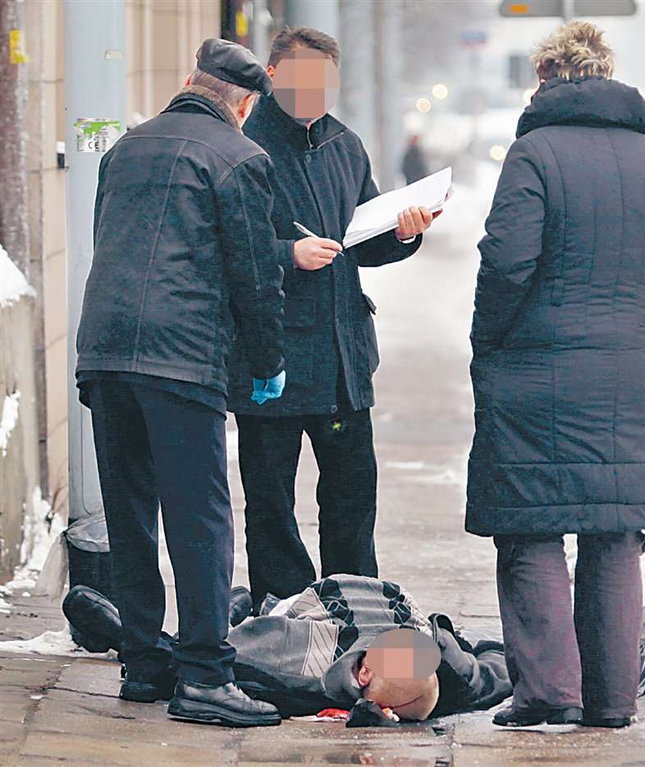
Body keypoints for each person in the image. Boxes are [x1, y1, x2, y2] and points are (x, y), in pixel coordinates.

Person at [466, 21, 645, 729]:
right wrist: (633, 329)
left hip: (532, 371)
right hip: (622, 375)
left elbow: (508, 261)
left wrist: (492, 340)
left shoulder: (533, 154)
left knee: (532, 526)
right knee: (614, 531)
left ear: (547, 77)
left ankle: (547, 690)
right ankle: (611, 698)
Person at [75, 39, 288, 727]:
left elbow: (110, 241)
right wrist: (267, 363)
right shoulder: (243, 158)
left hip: (105, 354)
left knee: (130, 512)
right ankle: (204, 674)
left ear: (188, 80)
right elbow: (256, 277)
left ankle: (142, 662)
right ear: (247, 104)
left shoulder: (125, 149)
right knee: (200, 519)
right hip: (181, 356)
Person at [228, 27, 438, 607]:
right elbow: (223, 246)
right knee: (270, 498)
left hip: (343, 356)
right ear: (273, 76)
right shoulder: (245, 145)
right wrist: (287, 254)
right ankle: (286, 613)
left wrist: (402, 234)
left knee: (351, 495)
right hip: (271, 355)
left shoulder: (345, 144)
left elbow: (361, 243)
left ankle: (355, 606)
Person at [62, 575, 513, 722]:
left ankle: (124, 633)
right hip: (308, 614)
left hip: (281, 633)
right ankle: (235, 613)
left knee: (187, 665)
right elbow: (498, 668)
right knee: (207, 655)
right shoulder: (456, 673)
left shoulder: (303, 684)